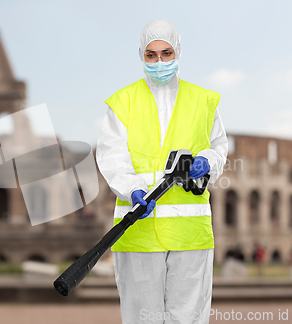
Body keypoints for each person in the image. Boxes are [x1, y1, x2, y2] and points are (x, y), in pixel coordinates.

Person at [96, 19, 228, 324]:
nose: (159, 61)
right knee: (143, 318)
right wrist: (130, 189)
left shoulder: (205, 100)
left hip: (189, 232)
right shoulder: (122, 102)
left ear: (178, 52)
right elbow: (111, 155)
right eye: (151, 55)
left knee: (189, 317)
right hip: (138, 224)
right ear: (141, 56)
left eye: (166, 53)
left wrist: (208, 160)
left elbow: (219, 145)